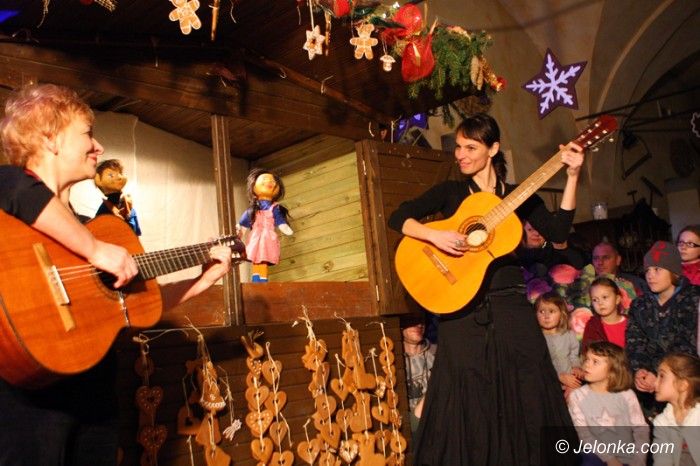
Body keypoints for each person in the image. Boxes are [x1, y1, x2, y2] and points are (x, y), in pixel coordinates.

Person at [0, 84, 232, 466]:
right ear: (50, 138)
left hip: (95, 401)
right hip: (29, 405)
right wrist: (95, 249)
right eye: (87, 133)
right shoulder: (8, 190)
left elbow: (132, 305)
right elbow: (20, 189)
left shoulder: (94, 228)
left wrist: (201, 281)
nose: (99, 146)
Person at [388, 112, 583, 465]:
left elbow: (557, 233)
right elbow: (398, 217)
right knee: (466, 394)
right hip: (461, 308)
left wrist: (572, 176)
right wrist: (434, 235)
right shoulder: (451, 192)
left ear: (492, 149)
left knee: (526, 385)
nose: (460, 155)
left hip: (510, 307)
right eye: (459, 147)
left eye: (470, 147)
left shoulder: (518, 195)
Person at [626, 240, 699, 415]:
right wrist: (640, 371)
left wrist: (657, 374)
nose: (650, 276)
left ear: (674, 271)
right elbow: (635, 342)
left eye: (657, 269)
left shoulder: (693, 299)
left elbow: (686, 345)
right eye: (647, 270)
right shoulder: (639, 304)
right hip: (649, 390)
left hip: (685, 386)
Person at [567, 341, 649, 466]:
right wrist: (610, 459)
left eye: (595, 362)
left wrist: (639, 459)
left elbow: (640, 429)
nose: (587, 364)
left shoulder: (627, 395)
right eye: (587, 359)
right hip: (595, 455)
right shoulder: (577, 396)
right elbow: (584, 434)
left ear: (612, 370)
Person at [238, 167, 293, 282]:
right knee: (256, 258)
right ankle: (257, 280)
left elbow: (280, 221)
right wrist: (240, 231)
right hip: (256, 237)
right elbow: (244, 223)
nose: (269, 182)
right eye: (264, 180)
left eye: (272, 181)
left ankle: (261, 280)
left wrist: (284, 226)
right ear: (253, 187)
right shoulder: (253, 209)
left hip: (267, 237)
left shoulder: (275, 208)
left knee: (263, 258)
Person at [652, 352, 700, 466]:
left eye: (662, 376)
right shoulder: (662, 422)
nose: (655, 383)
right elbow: (662, 460)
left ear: (683, 385)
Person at [535, 292, 582, 397]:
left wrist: (577, 367)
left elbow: (573, 356)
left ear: (562, 313)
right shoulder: (536, 339)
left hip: (570, 383)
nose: (546, 316)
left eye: (552, 311)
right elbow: (538, 367)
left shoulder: (569, 334)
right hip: (547, 386)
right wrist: (558, 377)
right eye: (542, 311)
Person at [400, 312, 436, 437]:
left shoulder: (437, 353)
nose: (419, 324)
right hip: (409, 431)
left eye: (421, 319)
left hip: (437, 425)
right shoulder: (393, 360)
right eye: (412, 319)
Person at [581, 277, 628, 352]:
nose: (600, 303)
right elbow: (586, 352)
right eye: (595, 300)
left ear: (617, 299)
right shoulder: (592, 325)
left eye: (605, 297)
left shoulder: (632, 323)